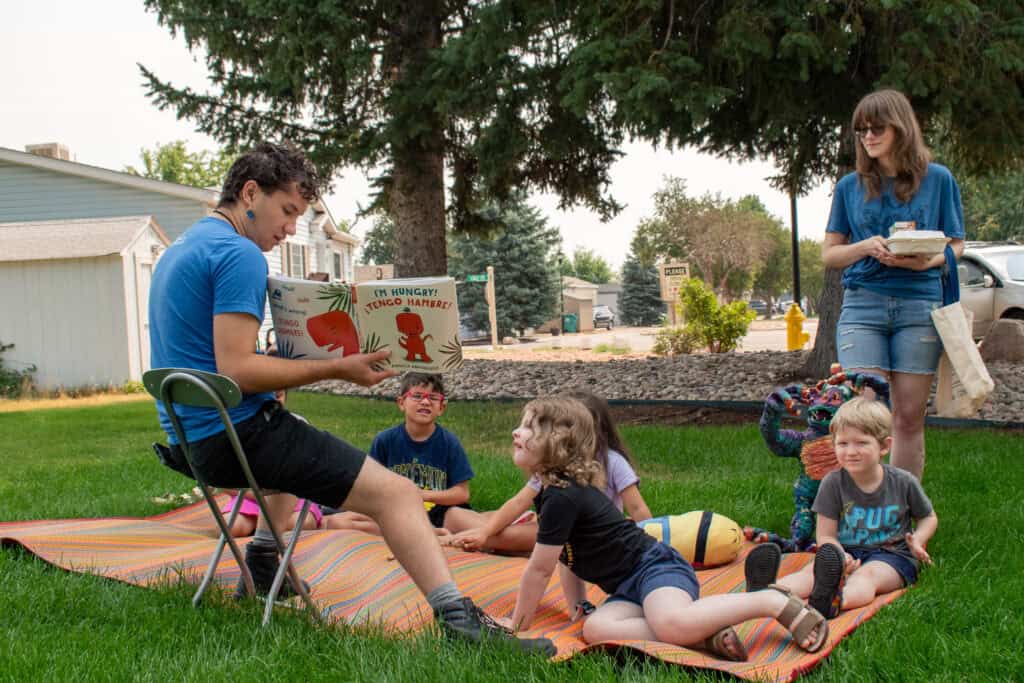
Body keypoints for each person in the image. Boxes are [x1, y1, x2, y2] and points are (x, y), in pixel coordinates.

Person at [148, 142, 553, 655]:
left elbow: (212, 362)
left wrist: (286, 366)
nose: (291, 228)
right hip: (234, 438)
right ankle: (460, 623)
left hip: (190, 442)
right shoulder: (239, 254)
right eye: (288, 211)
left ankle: (264, 557)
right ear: (250, 193)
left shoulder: (181, 249)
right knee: (399, 494)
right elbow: (237, 367)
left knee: (292, 433)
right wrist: (339, 366)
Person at [498, 396, 830, 660]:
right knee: (596, 629)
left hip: (657, 569)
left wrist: (516, 622)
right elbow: (566, 556)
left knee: (671, 622)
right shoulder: (551, 492)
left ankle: (770, 601)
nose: (516, 432)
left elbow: (539, 570)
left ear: (558, 442)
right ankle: (704, 636)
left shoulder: (563, 496)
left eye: (530, 427)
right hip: (628, 589)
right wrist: (577, 606)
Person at [822, 88, 965, 480]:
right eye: (861, 130)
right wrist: (865, 246)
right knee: (862, 416)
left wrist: (923, 262)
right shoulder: (850, 186)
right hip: (862, 306)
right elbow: (830, 254)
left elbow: (956, 243)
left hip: (919, 304)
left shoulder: (937, 180)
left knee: (906, 417)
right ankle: (859, 509)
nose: (868, 136)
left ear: (900, 128)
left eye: (876, 127)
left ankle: (900, 512)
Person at [744, 397, 937, 619]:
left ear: (884, 446)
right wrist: (838, 554)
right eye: (843, 444)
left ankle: (834, 601)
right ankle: (766, 592)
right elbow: (825, 534)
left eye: (861, 443)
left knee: (867, 577)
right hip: (845, 552)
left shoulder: (903, 482)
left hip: (892, 556)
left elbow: (928, 517)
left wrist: (919, 540)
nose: (850, 451)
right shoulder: (832, 483)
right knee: (811, 573)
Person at [326, 372, 535, 551]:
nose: (425, 402)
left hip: (442, 514)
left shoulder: (448, 442)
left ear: (441, 407)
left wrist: (420, 494)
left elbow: (461, 494)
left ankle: (515, 528)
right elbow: (370, 487)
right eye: (417, 396)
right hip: (397, 514)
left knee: (480, 527)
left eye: (433, 398)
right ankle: (431, 535)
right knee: (340, 521)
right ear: (401, 403)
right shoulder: (385, 440)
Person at [447, 389, 652, 554]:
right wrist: (485, 530)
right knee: (455, 515)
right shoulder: (554, 464)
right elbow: (519, 502)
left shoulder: (612, 461)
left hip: (580, 537)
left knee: (501, 535)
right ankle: (469, 535)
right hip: (551, 526)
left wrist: (651, 546)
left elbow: (637, 509)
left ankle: (457, 539)